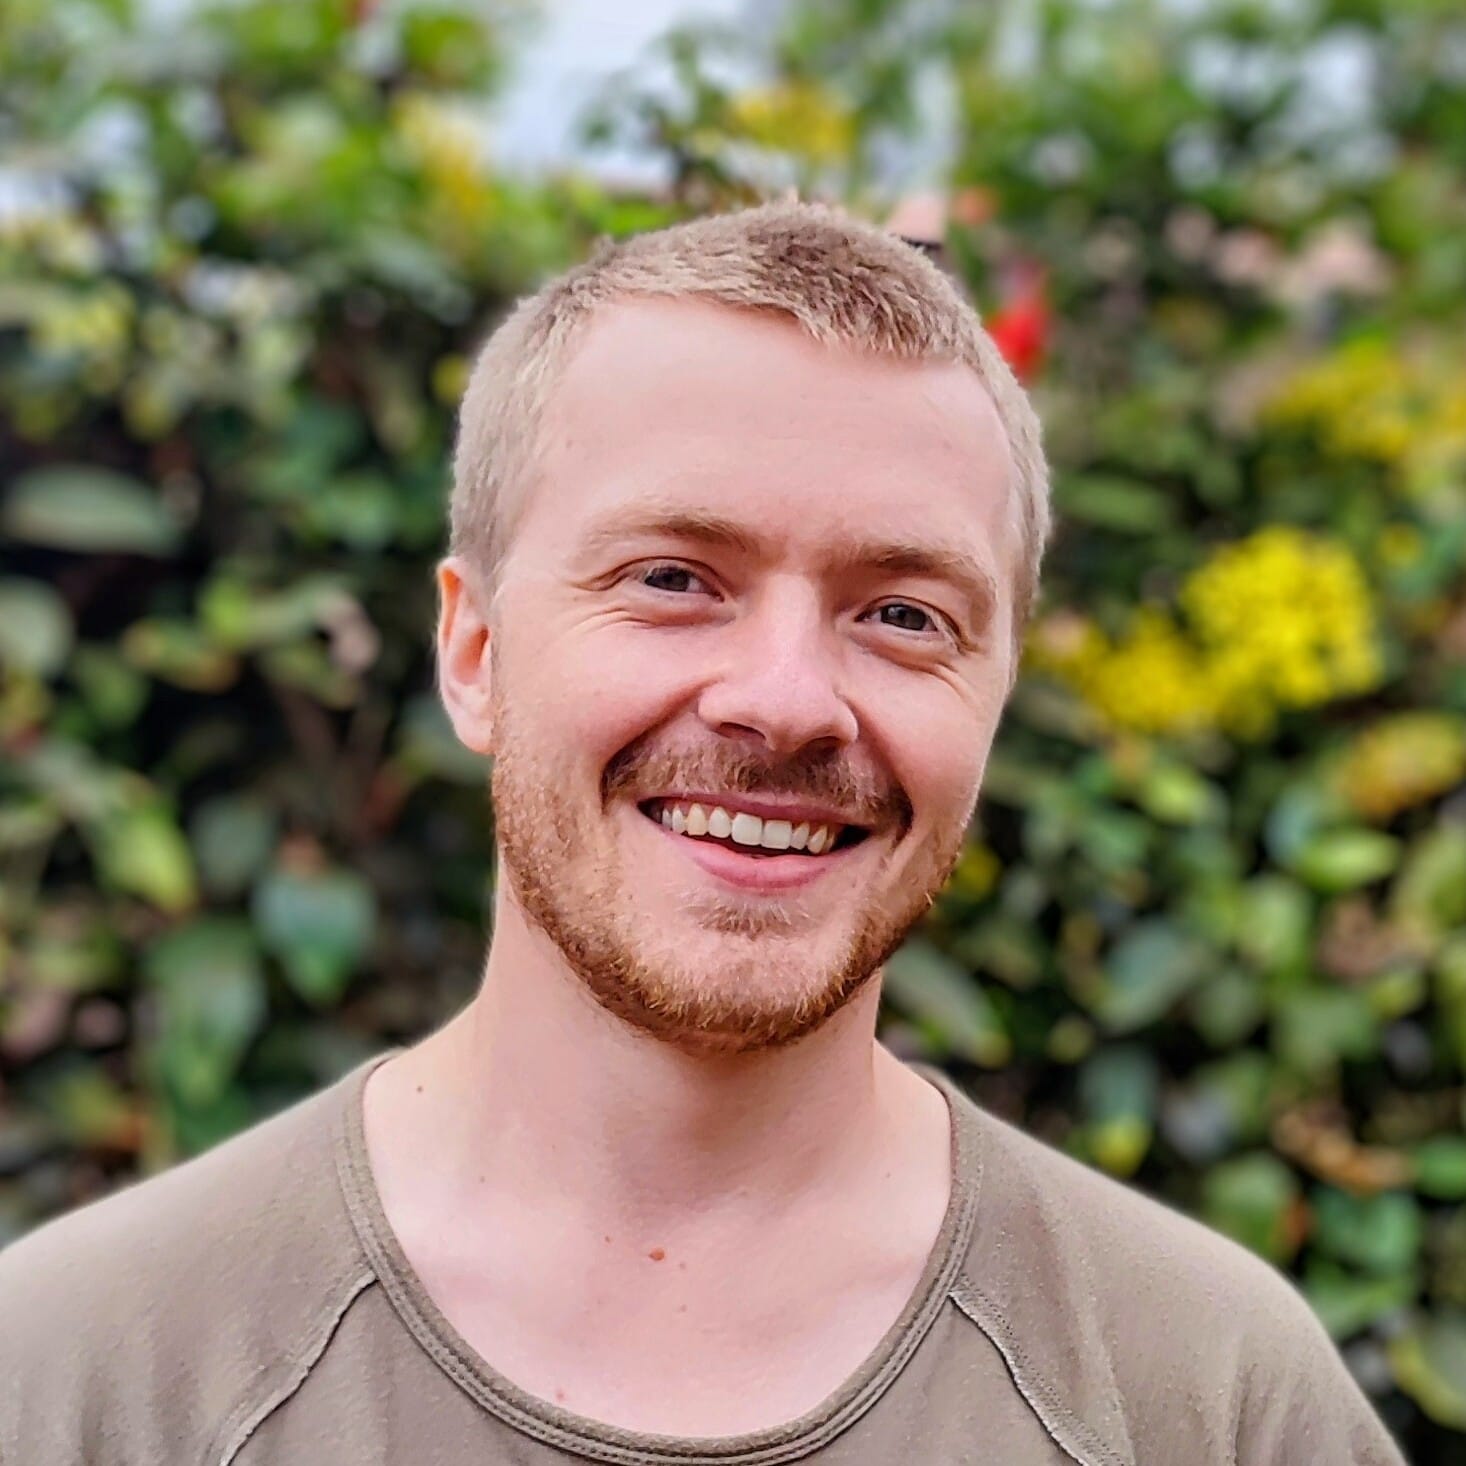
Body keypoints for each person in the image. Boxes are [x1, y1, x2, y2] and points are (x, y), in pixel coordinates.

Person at [0, 201, 1404, 1465]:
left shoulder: (1208, 1399)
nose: (784, 702)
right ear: (475, 653)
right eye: (672, 578)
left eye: (902, 614)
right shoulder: (84, 1381)